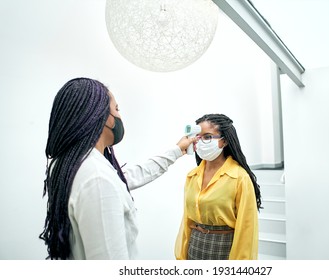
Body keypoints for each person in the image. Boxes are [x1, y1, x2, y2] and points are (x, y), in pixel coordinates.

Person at [39, 77, 194, 260]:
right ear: (103, 117)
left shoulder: (75, 165)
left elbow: (128, 177)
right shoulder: (97, 180)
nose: (120, 116)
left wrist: (177, 150)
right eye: (117, 109)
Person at [175, 114, 261, 260]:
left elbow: (247, 228)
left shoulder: (239, 177)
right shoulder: (192, 176)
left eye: (207, 137)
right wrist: (181, 255)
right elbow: (187, 221)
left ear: (225, 141)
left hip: (223, 249)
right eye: (198, 137)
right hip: (194, 247)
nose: (201, 142)